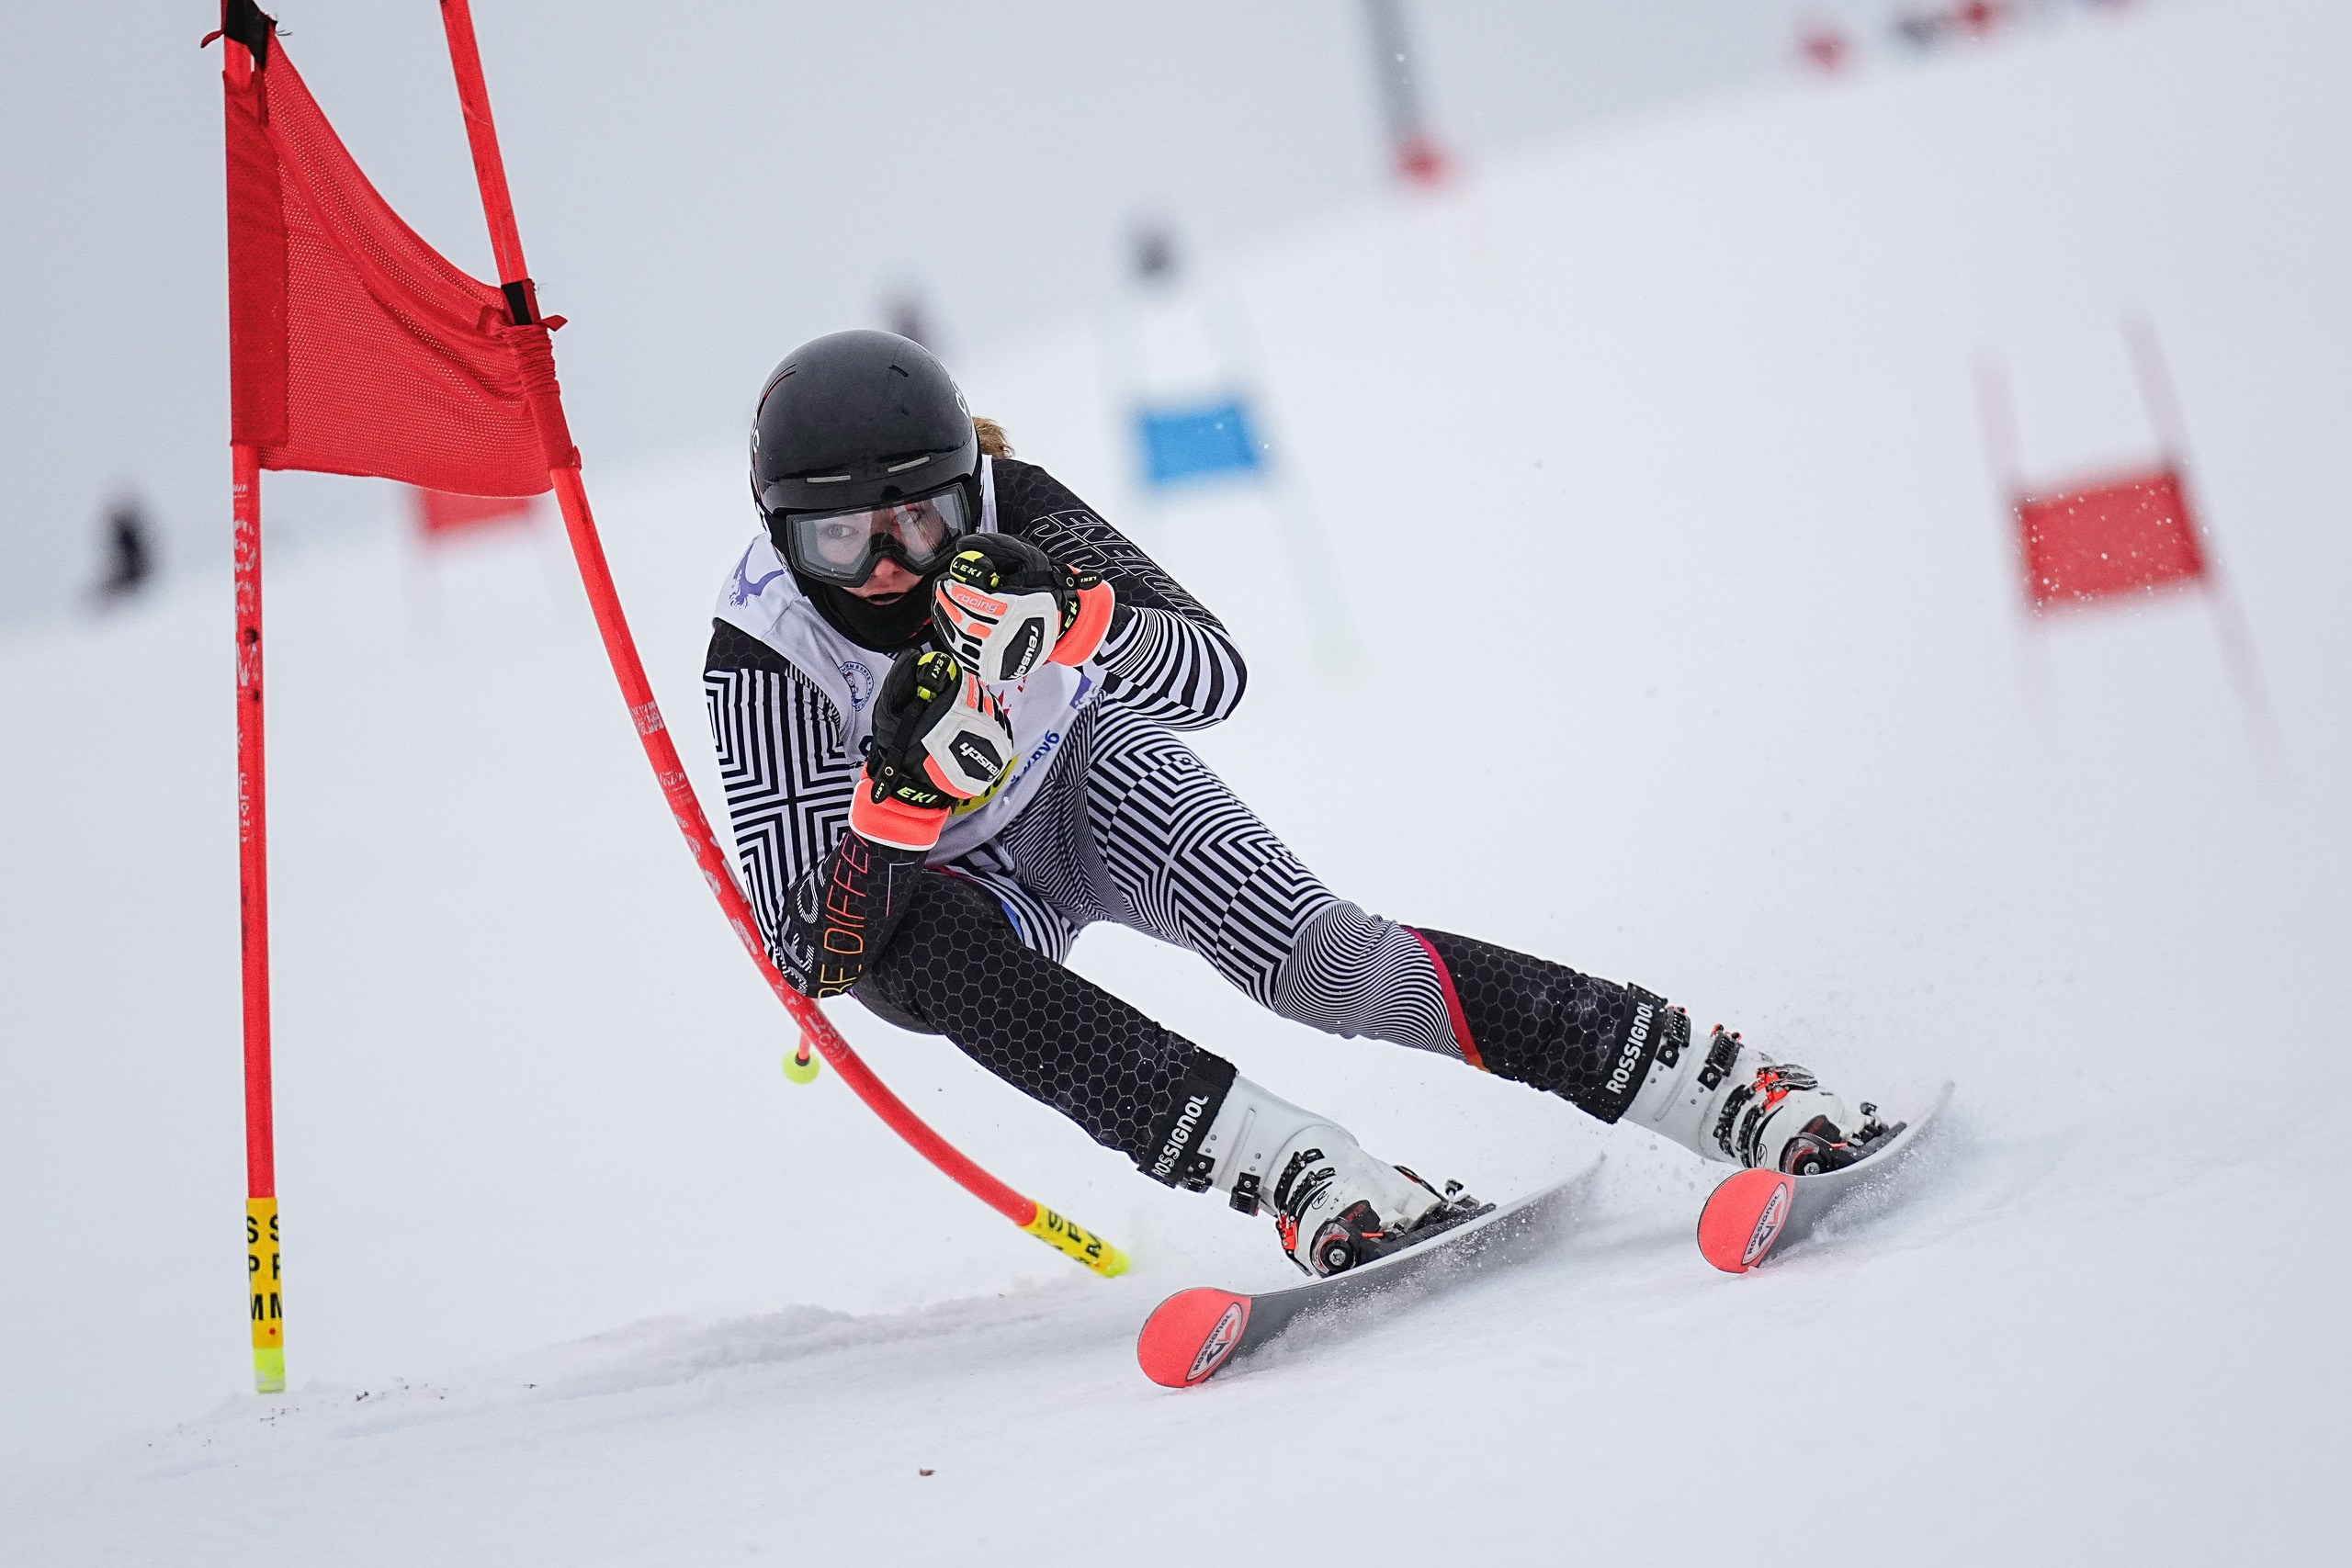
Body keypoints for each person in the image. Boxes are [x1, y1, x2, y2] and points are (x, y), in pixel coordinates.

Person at [704, 330, 1892, 1278]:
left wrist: (1080, 619)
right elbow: (815, 953)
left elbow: (1214, 678)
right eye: (840, 539)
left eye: (921, 519)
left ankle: (1716, 1083)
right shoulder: (765, 649)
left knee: (1319, 965)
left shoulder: (1017, 505)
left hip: (1081, 777)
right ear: (784, 538)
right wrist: (893, 817)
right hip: (939, 889)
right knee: (926, 952)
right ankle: (1301, 1173)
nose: (889, 566)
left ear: (969, 490)